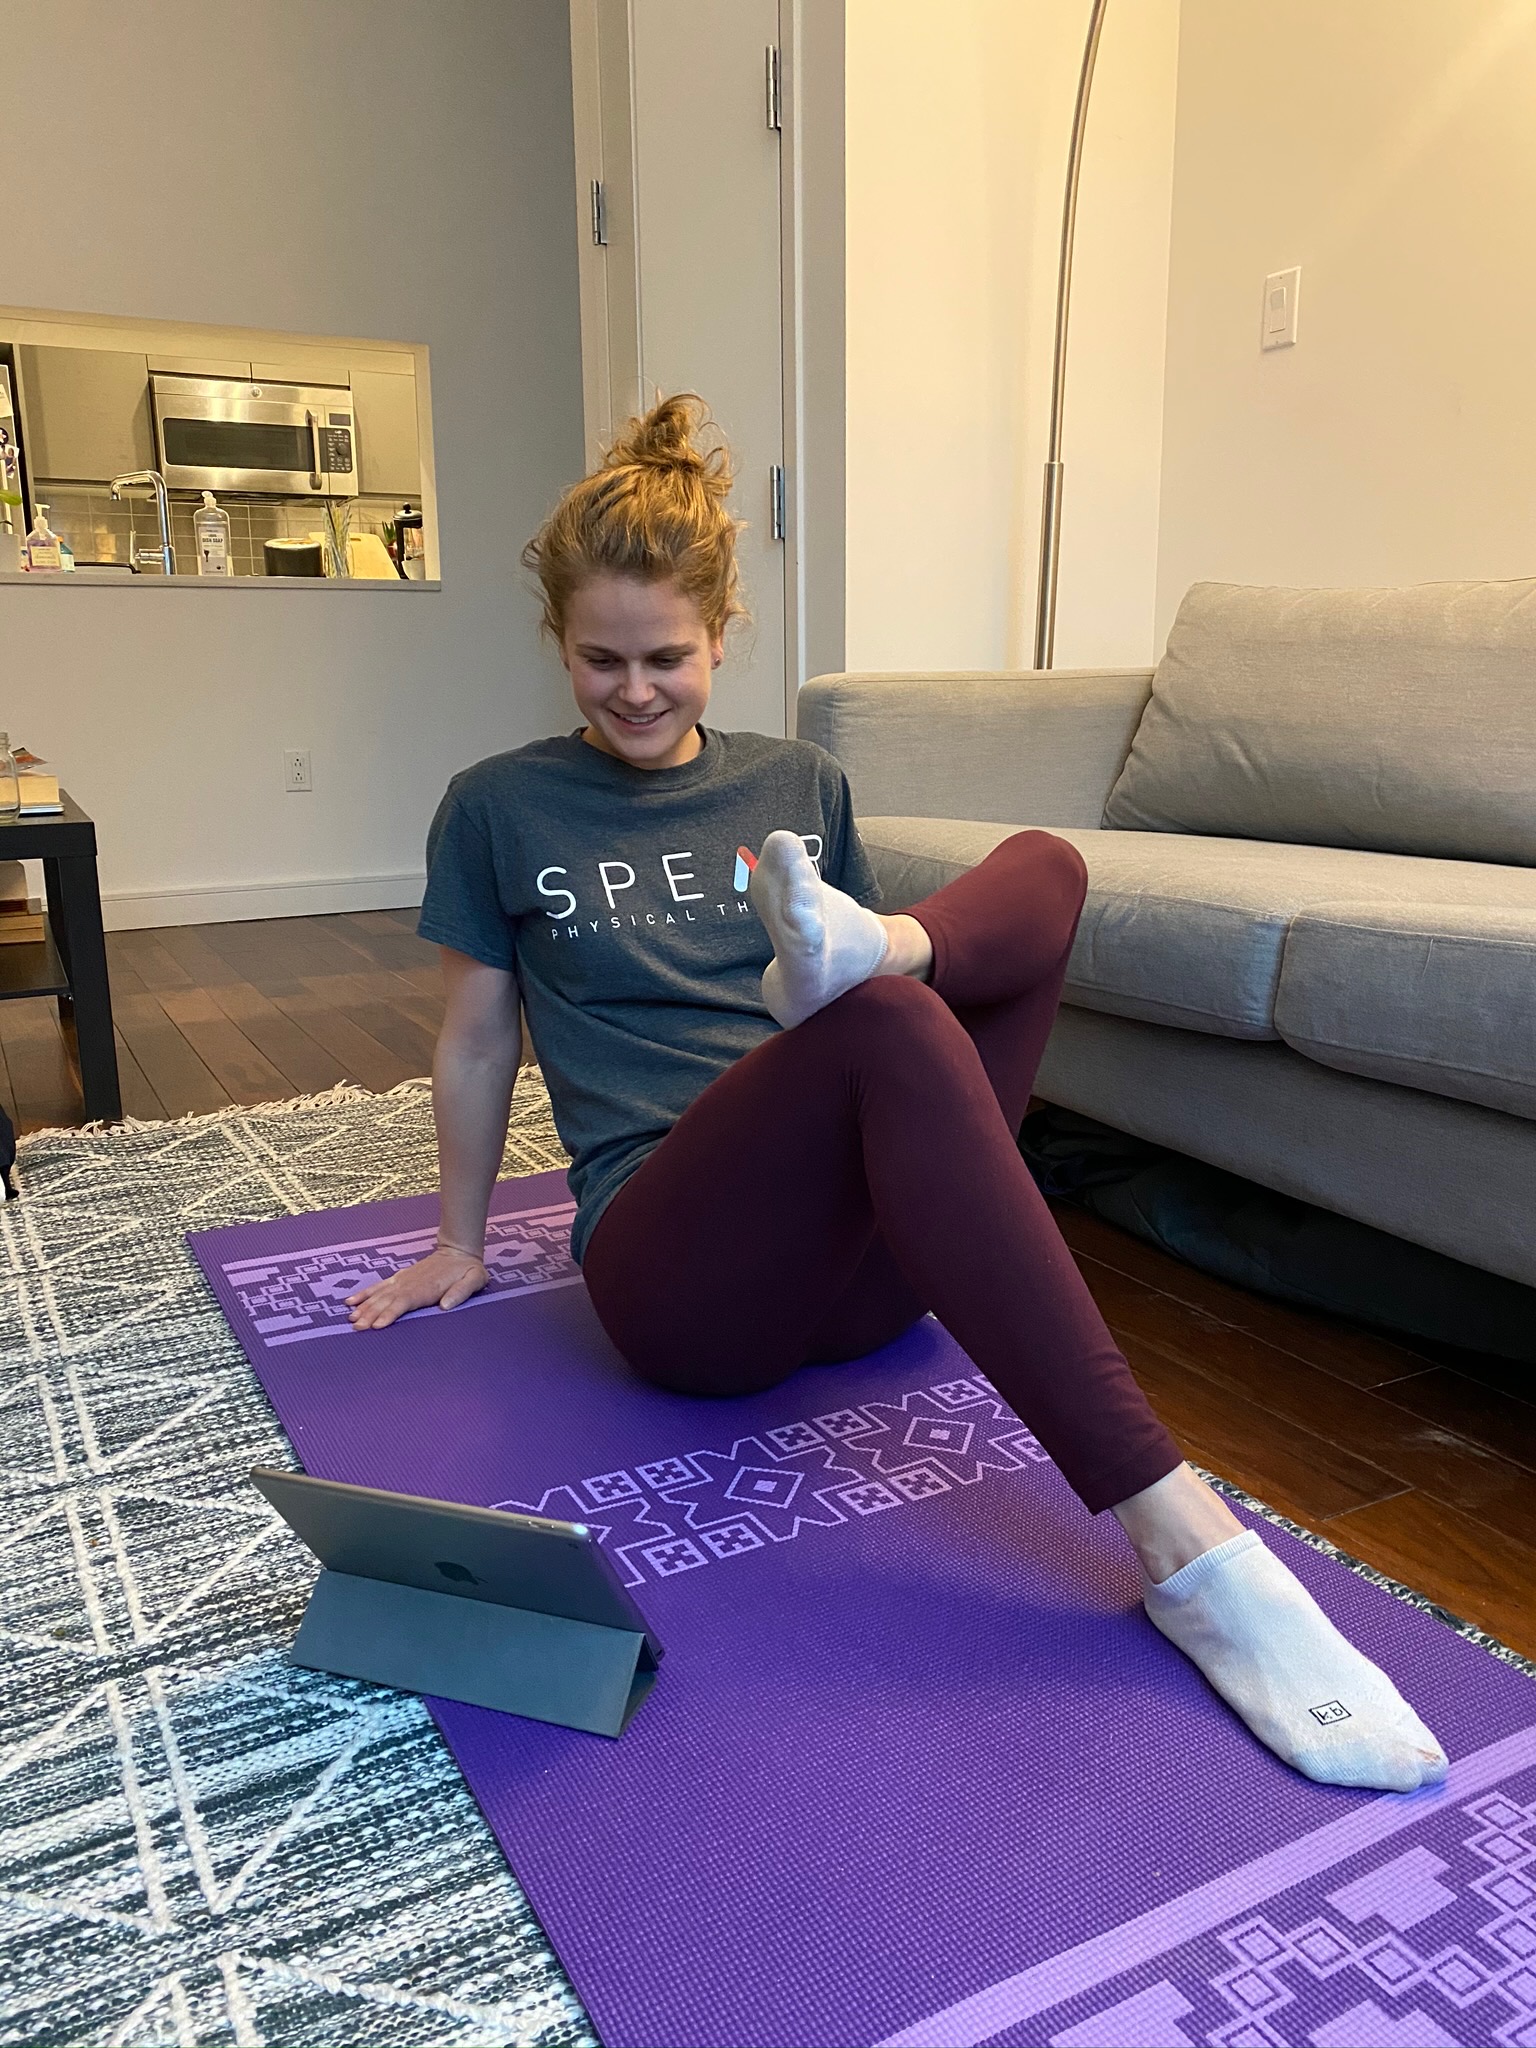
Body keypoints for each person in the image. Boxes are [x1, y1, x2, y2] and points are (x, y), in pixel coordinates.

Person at [347, 395, 1444, 1795]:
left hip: (868, 1278)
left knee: (1042, 870)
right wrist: (458, 1236)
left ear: (723, 637)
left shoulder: (798, 779)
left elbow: (967, 952)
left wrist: (868, 966)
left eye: (668, 657)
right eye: (599, 659)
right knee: (886, 1028)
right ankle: (1190, 1548)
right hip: (681, 1281)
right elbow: (478, 1037)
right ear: (557, 643)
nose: (634, 690)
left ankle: (877, 948)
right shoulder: (500, 806)